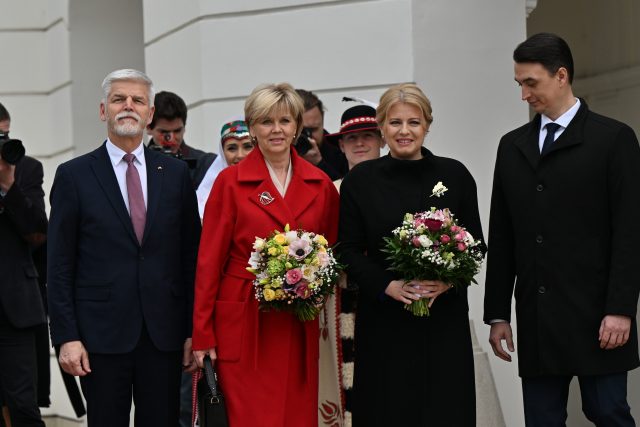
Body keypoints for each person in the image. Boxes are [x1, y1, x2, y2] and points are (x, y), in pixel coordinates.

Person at [484, 32, 640, 426]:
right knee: (542, 420)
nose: (524, 94)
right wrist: (498, 313)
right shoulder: (512, 146)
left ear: (561, 76)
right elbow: (503, 234)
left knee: (608, 412)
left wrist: (620, 309)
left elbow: (630, 231)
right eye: (519, 84)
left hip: (599, 316)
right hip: (539, 317)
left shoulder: (614, 139)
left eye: (530, 83)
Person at [47, 69, 201, 427]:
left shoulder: (176, 174)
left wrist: (196, 330)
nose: (128, 106)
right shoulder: (74, 176)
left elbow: (190, 258)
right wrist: (66, 337)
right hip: (99, 337)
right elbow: (58, 266)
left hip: (164, 335)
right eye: (119, 99)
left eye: (138, 100)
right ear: (104, 111)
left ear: (149, 115)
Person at [192, 83, 340, 426]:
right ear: (252, 127)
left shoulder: (320, 185)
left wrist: (310, 284)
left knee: (295, 414)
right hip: (243, 319)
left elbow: (330, 253)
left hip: (297, 322)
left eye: (285, 121)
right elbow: (208, 263)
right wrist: (202, 333)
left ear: (297, 127)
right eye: (266, 121)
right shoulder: (229, 183)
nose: (276, 130)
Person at [338, 83, 483, 426]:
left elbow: (475, 243)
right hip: (385, 322)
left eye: (414, 122)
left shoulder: (455, 174)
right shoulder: (361, 180)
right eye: (395, 123)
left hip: (443, 321)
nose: (404, 131)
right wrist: (388, 286)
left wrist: (446, 282)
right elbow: (347, 249)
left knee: (445, 411)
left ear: (428, 125)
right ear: (382, 128)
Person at [319, 104, 384, 426]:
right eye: (352, 138)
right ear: (341, 145)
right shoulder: (329, 191)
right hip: (341, 300)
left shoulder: (398, 187)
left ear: (381, 139)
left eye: (368, 136)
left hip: (389, 299)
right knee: (345, 382)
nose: (360, 144)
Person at [0, 102, 47, 426]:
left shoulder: (25, 169)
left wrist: (8, 186)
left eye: (4, 135)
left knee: (23, 406)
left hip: (13, 308)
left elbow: (38, 233)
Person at [195, 118, 254, 219]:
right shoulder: (210, 190)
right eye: (232, 148)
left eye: (247, 147)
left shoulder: (271, 180)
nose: (240, 155)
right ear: (222, 153)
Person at [146, 91, 208, 186]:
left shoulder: (205, 164)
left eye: (177, 131)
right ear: (148, 128)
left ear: (184, 127)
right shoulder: (135, 164)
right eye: (164, 132)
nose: (171, 138)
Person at [295, 89, 348, 180]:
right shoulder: (272, 152)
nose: (309, 136)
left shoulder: (339, 152)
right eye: (302, 131)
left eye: (314, 129)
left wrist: (319, 163)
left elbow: (343, 190)